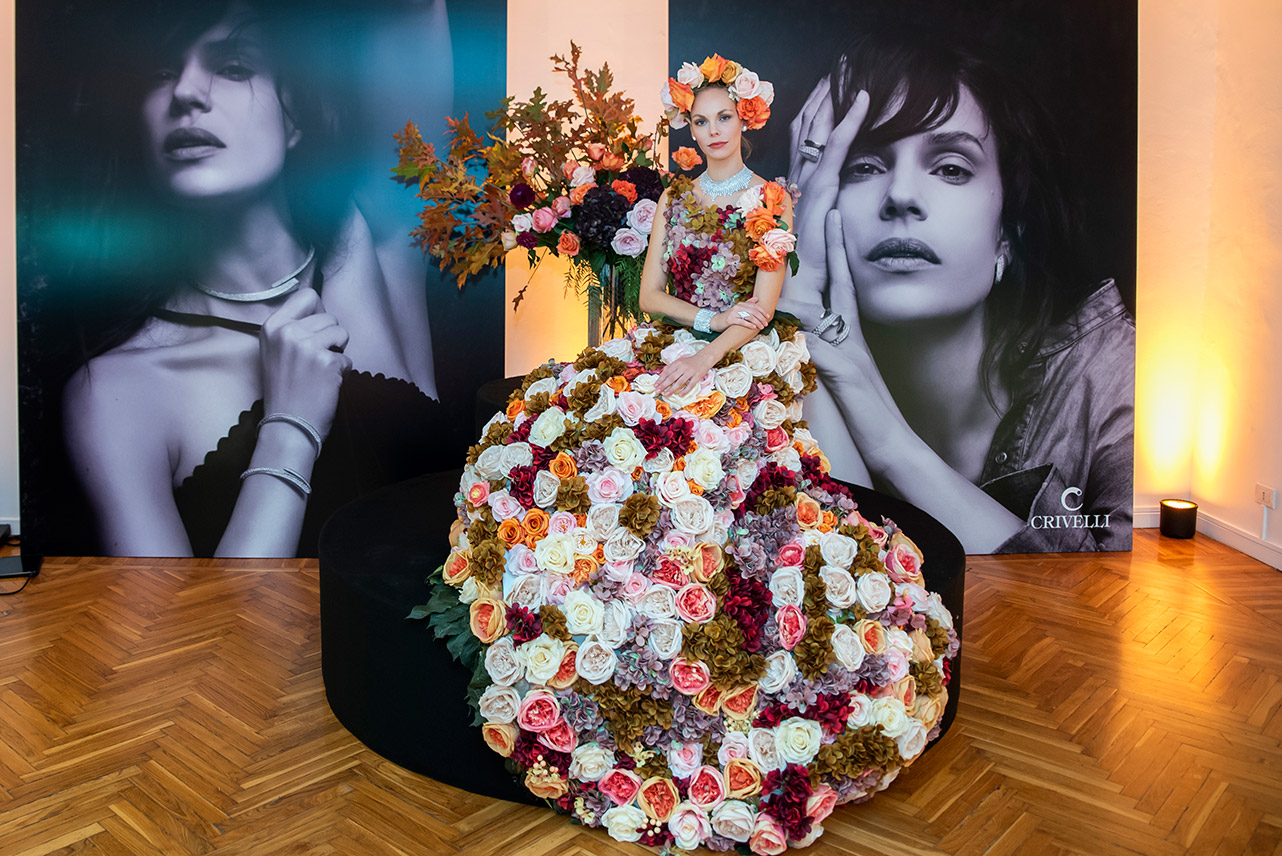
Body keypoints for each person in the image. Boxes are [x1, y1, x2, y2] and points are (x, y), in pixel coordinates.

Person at [429, 56, 960, 851]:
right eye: (700, 120)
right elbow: (648, 297)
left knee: (698, 447)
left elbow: (765, 307)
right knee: (586, 418)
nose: (712, 131)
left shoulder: (770, 198)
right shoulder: (676, 197)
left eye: (724, 118)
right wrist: (700, 328)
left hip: (741, 357)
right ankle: (585, 572)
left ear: (747, 121)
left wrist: (708, 355)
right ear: (690, 127)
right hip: (683, 338)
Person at [59, 0, 451, 557]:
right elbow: (185, 619)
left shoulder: (367, 248)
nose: (185, 93)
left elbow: (414, 14)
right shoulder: (114, 394)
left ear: (298, 117)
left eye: (234, 66)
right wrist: (291, 424)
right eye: (160, 73)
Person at [777, 27, 1135, 554]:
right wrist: (796, 290)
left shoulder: (1111, 376)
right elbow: (837, 573)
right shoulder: (769, 369)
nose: (901, 195)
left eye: (950, 168)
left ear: (1007, 233)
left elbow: (1100, 601)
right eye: (864, 166)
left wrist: (890, 443)